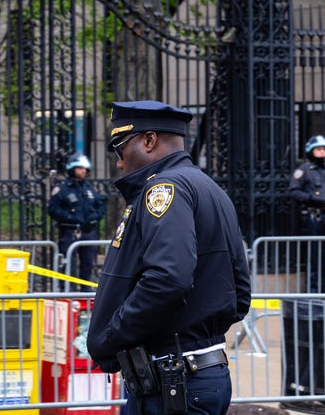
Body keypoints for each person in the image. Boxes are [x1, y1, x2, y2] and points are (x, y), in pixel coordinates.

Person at [86, 100, 251, 415]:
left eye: (118, 149)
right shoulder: (209, 188)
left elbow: (168, 279)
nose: (119, 163)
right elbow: (239, 292)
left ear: (149, 140)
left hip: (173, 380)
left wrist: (111, 335)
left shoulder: (164, 189)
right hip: (197, 373)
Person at [289, 135, 325, 293]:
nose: (322, 152)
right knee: (314, 256)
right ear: (311, 151)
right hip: (314, 218)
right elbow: (294, 191)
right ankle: (314, 293)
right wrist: (312, 199)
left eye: (324, 149)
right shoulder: (303, 170)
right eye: (319, 149)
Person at [48, 153, 106, 290]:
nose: (84, 171)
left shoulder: (90, 188)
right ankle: (68, 292)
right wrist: (72, 218)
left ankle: (85, 293)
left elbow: (100, 206)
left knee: (88, 264)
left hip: (88, 232)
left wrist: (94, 217)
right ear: (72, 169)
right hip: (70, 232)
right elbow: (53, 210)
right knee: (69, 265)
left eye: (85, 168)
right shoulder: (62, 189)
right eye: (80, 168)